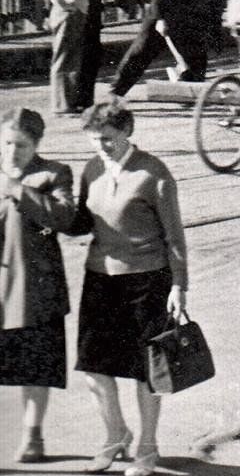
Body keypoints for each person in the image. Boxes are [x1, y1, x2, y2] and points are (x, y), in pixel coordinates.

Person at [68, 104, 187, 476]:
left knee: (145, 372)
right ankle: (116, 434)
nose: (100, 145)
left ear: (126, 133)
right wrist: (38, 217)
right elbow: (80, 222)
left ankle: (147, 447)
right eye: (94, 139)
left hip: (146, 280)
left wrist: (179, 285)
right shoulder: (91, 169)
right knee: (94, 367)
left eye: (107, 138)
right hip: (99, 277)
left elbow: (175, 237)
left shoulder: (154, 173)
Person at [2, 108, 78, 464]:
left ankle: (34, 437)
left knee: (35, 366)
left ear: (36, 145)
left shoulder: (53, 174)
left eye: (21, 145)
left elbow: (65, 217)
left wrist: (17, 189)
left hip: (33, 289)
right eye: (5, 143)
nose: (11, 151)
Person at [111, 0, 232, 96]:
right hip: (161, 18)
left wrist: (216, 41)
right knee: (140, 54)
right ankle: (116, 93)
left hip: (186, 26)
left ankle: (187, 93)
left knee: (197, 62)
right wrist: (160, 19)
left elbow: (215, 16)